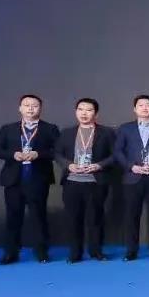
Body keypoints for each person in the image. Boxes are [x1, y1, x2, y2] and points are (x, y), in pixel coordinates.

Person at [0, 94, 60, 265]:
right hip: (13, 179)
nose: (30, 108)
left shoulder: (50, 129)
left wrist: (38, 154)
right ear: (20, 108)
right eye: (26, 105)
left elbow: (59, 151)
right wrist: (12, 154)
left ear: (40, 108)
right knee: (13, 217)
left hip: (38, 179)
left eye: (34, 105)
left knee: (38, 216)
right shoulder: (8, 129)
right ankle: (11, 253)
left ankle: (41, 252)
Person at [54, 98, 116, 263]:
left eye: (88, 110)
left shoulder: (107, 133)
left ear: (96, 113)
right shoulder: (66, 132)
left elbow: (115, 155)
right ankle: (75, 253)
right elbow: (57, 153)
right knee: (73, 219)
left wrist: (99, 165)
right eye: (80, 109)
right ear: (76, 112)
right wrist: (68, 165)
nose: (84, 113)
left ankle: (96, 251)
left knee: (95, 218)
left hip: (96, 182)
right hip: (72, 182)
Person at [114, 94, 149, 261]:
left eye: (148, 105)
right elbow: (118, 152)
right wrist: (131, 166)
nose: (144, 108)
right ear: (134, 109)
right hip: (132, 177)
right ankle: (131, 251)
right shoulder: (125, 128)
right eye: (141, 105)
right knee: (131, 216)